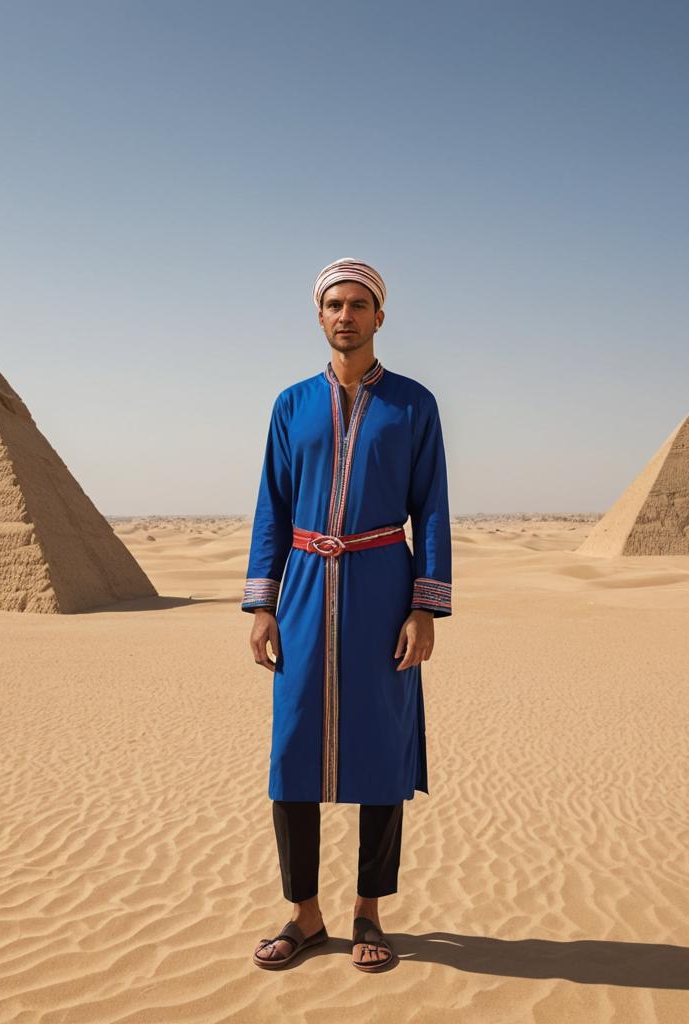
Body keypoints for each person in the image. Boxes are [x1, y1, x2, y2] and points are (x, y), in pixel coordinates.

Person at [244, 258, 452, 971]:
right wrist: (262, 605)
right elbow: (271, 506)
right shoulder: (290, 405)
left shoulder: (414, 406)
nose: (346, 315)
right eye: (334, 303)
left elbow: (433, 510)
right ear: (320, 315)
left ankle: (369, 912)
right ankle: (305, 914)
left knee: (381, 753)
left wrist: (424, 607)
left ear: (379, 317)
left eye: (359, 304)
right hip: (302, 589)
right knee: (292, 751)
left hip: (381, 589)